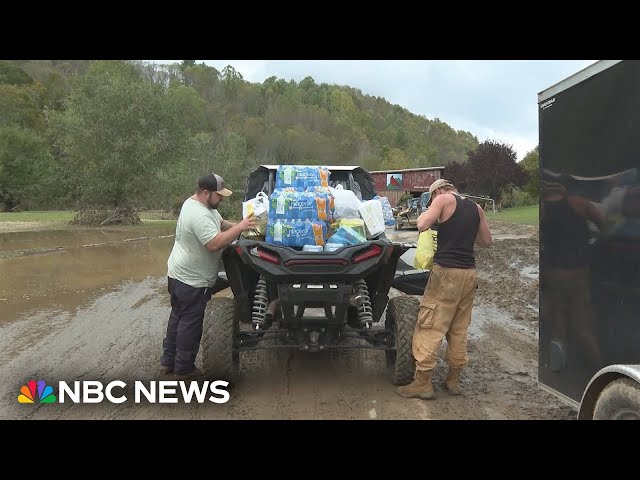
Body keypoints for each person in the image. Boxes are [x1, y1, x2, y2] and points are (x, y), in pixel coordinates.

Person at [396, 178, 492, 399]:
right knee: (459, 328)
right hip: (469, 274)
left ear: (438, 190)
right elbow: (487, 241)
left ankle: (423, 383)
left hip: (447, 272)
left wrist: (430, 210)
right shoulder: (476, 208)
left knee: (430, 325)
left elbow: (422, 224)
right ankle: (453, 380)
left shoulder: (442, 199)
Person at [160, 173, 256, 379]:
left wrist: (243, 227)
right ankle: (183, 368)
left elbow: (220, 224)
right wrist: (240, 228)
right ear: (206, 193)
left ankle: (168, 362)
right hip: (192, 280)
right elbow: (214, 244)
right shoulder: (199, 215)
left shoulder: (199, 205)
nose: (222, 199)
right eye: (219, 195)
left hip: (178, 274)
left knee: (178, 316)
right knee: (191, 323)